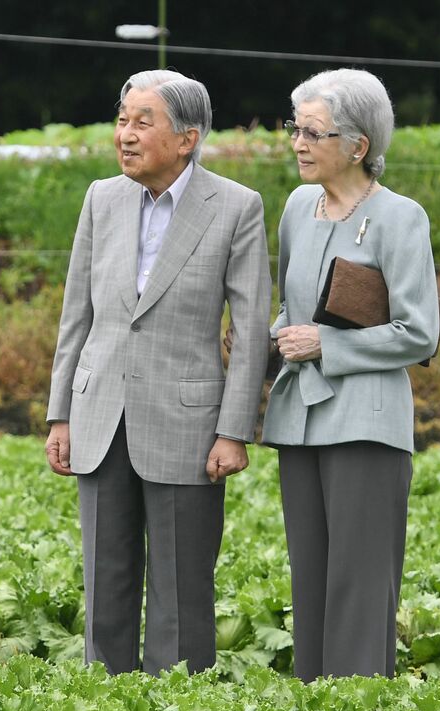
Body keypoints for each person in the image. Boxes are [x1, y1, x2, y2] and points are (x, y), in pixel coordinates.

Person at [44, 68, 271, 676]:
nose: (126, 134)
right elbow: (77, 314)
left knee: (181, 587)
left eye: (144, 122)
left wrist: (234, 429)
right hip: (99, 412)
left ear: (187, 138)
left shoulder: (236, 207)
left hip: (189, 423)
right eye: (122, 120)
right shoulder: (102, 198)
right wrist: (60, 413)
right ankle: (106, 702)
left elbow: (249, 331)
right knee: (104, 578)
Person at [261, 68, 440, 681]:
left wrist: (327, 344)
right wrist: (273, 339)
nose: (298, 142)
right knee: (309, 578)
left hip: (366, 422)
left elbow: (421, 333)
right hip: (299, 417)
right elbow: (291, 306)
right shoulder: (295, 208)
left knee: (360, 585)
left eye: (313, 132)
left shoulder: (401, 217)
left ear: (358, 146)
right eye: (295, 128)